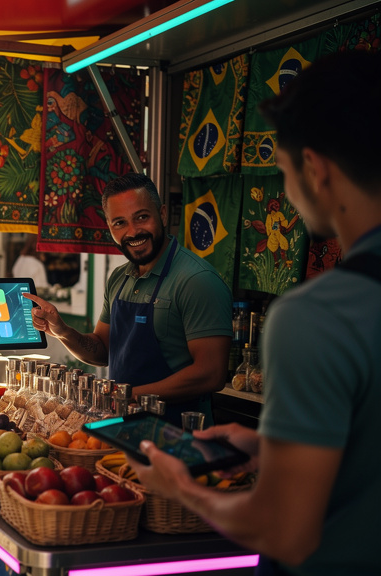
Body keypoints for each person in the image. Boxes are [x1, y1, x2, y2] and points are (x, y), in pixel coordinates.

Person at [130, 50, 381, 576]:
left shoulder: (318, 316)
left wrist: (179, 487)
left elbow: (283, 530)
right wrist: (274, 450)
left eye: (284, 173)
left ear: (316, 170)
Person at [24, 173, 232, 427]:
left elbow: (211, 374)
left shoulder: (196, 280)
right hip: (124, 428)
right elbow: (102, 350)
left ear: (163, 214)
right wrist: (62, 331)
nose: (133, 232)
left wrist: (127, 396)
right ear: (109, 228)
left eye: (141, 217)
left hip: (179, 436)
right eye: (119, 223)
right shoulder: (119, 278)